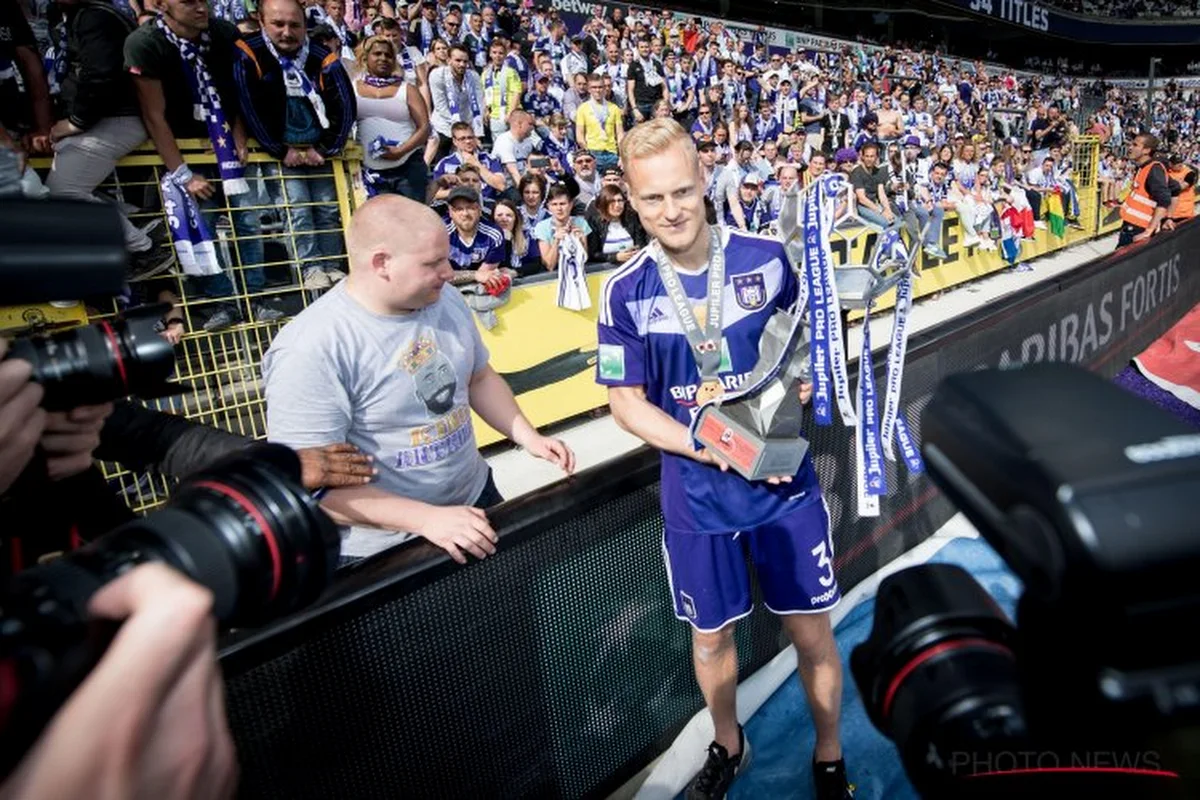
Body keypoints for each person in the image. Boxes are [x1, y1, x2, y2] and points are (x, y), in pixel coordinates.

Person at [598, 119, 852, 800]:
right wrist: (706, 443)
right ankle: (728, 744)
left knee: (812, 635)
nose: (671, 211)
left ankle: (828, 756)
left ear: (705, 179)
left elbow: (811, 343)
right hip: (698, 496)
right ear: (629, 198)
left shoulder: (768, 257)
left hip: (782, 488)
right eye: (652, 200)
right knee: (710, 642)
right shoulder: (625, 290)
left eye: (682, 191)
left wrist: (807, 379)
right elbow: (626, 405)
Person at [263, 195, 575, 564]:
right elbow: (305, 486)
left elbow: (478, 378)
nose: (450, 270)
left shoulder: (445, 300)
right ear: (382, 263)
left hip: (476, 502)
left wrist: (527, 436)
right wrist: (427, 519)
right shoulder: (311, 349)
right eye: (434, 262)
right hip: (383, 550)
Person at [125, 0, 280, 331]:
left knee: (248, 222)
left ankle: (257, 298)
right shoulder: (145, 43)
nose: (200, 7)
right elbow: (153, 115)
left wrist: (239, 133)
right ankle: (222, 302)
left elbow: (238, 91)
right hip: (182, 152)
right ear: (162, 4)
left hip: (224, 143)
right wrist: (182, 173)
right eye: (188, 1)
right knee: (202, 228)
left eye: (203, 0)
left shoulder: (222, 33)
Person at [354, 35, 430, 201]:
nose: (383, 58)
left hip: (408, 168)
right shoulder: (353, 88)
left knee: (412, 222)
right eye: (378, 54)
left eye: (388, 55)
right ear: (366, 57)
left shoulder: (407, 89)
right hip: (371, 172)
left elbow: (425, 128)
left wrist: (400, 151)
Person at [445, 185, 507, 290]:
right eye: (459, 209)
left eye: (470, 208)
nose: (465, 214)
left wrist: (479, 276)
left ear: (479, 209)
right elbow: (440, 276)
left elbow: (486, 275)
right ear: (450, 212)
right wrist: (475, 275)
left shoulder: (494, 235)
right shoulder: (440, 234)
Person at [1118, 133, 1172, 247]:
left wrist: (1149, 230)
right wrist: (1167, 218)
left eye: (1135, 145)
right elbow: (1175, 187)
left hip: (1139, 229)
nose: (1130, 148)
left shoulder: (1154, 169)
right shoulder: (1145, 168)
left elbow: (1164, 199)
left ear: (1146, 150)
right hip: (1133, 226)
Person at [585, 184, 646, 263]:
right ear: (604, 203)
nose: (617, 205)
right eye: (612, 201)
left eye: (620, 200)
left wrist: (636, 252)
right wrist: (615, 257)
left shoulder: (632, 219)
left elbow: (642, 245)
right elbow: (593, 254)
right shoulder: (595, 222)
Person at [535, 182, 590, 271]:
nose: (559, 208)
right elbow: (549, 266)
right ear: (548, 206)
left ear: (571, 204)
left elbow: (584, 259)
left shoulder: (581, 223)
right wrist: (556, 241)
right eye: (554, 204)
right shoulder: (541, 227)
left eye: (562, 204)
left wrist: (581, 241)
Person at [575, 73, 623, 173]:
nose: (597, 90)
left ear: (604, 88)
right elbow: (579, 134)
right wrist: (588, 153)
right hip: (593, 152)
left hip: (611, 153)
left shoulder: (614, 108)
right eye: (594, 87)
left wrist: (621, 155)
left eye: (600, 87)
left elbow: (620, 133)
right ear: (589, 89)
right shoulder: (583, 109)